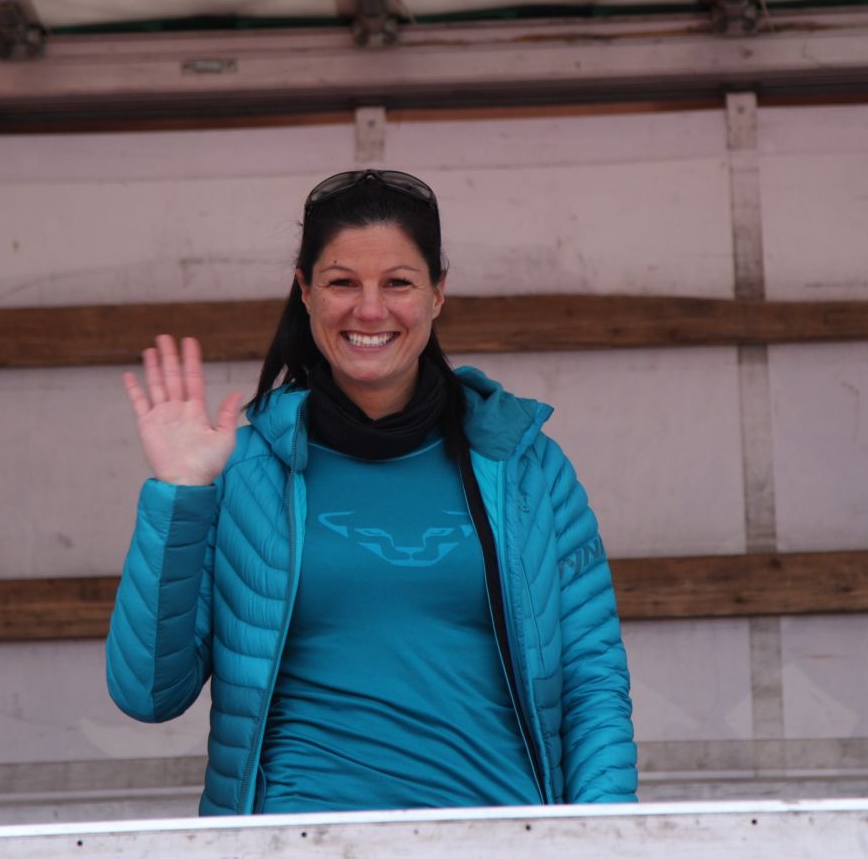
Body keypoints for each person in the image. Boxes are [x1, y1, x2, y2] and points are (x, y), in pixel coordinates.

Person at [105, 169, 636, 815]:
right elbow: (148, 693)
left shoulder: (528, 468)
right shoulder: (239, 473)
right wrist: (179, 494)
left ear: (438, 293)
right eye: (342, 283)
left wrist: (603, 836)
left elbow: (592, 683)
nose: (370, 310)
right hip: (295, 839)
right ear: (305, 290)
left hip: (500, 834)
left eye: (398, 283)